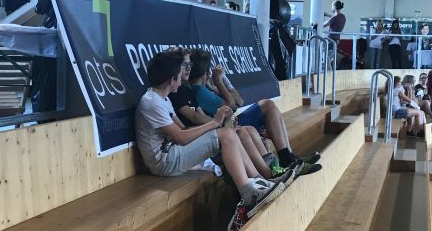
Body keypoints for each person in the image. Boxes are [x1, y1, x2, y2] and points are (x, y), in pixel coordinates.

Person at [135, 51, 285, 214]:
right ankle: (248, 192)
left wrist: (216, 128)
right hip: (164, 162)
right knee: (226, 135)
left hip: (173, 152)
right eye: (180, 73)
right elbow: (181, 137)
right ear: (172, 79)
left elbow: (183, 130)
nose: (182, 77)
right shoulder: (151, 102)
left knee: (229, 133)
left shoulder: (162, 98)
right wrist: (214, 123)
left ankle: (260, 181)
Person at [188, 50, 322, 176]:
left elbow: (239, 100)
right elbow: (233, 106)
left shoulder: (205, 88)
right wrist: (219, 81)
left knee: (269, 105)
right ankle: (286, 159)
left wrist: (217, 85)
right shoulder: (200, 91)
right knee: (268, 105)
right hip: (228, 128)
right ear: (207, 72)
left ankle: (290, 157)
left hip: (229, 124)